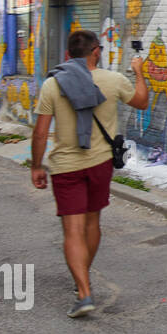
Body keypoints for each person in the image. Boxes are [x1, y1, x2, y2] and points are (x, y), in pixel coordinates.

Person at [31, 30, 149, 318]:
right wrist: (138, 73)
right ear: (96, 51)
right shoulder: (113, 80)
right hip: (99, 164)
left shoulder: (53, 84)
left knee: (72, 230)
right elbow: (142, 102)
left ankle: (84, 292)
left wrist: (36, 165)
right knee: (92, 223)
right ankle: (82, 280)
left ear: (69, 55)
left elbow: (41, 132)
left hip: (66, 166)